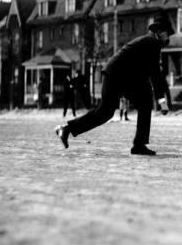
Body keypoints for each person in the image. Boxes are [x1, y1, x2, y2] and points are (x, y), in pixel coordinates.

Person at [54, 12, 173, 156]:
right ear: (159, 32)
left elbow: (147, 75)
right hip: (116, 75)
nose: (169, 37)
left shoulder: (149, 42)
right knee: (111, 110)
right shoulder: (153, 43)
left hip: (119, 76)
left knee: (109, 111)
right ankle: (138, 145)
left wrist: (157, 97)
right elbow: (156, 75)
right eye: (167, 33)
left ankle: (67, 129)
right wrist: (163, 102)